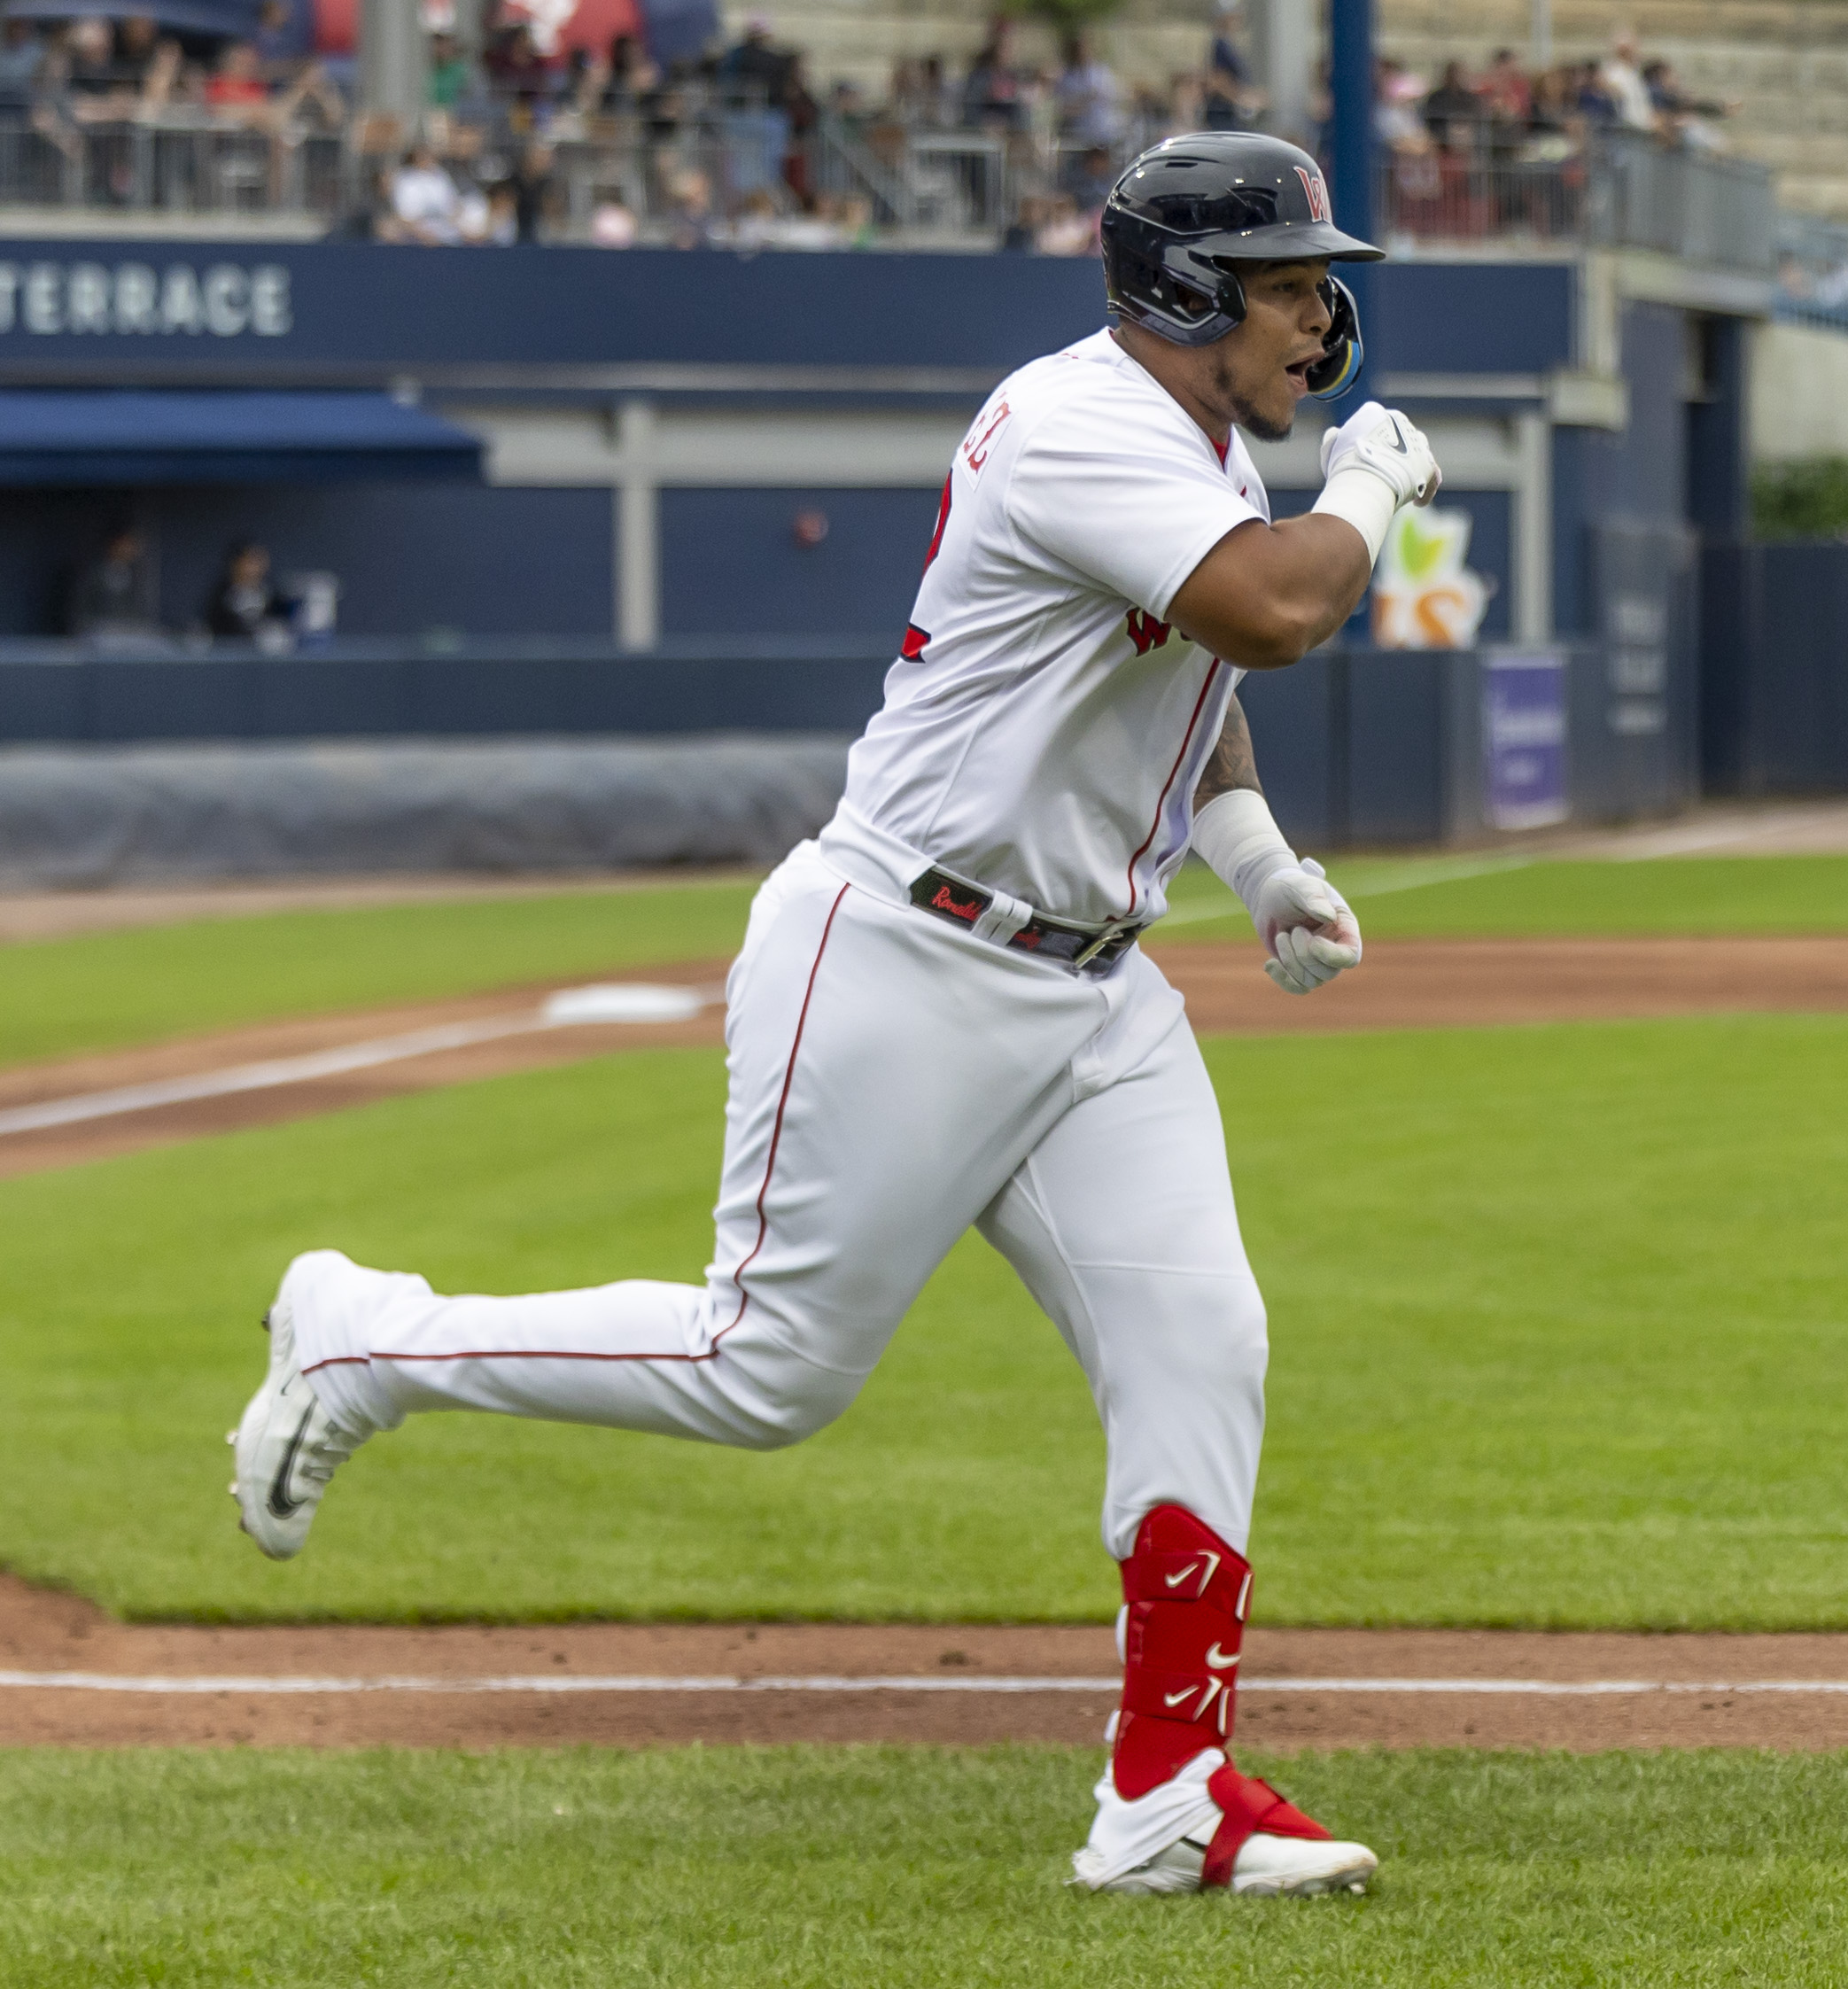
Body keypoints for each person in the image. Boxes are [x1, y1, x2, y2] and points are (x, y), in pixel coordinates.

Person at [225, 131, 1438, 1900]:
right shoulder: (1084, 417)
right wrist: (1377, 485)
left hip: (1089, 984)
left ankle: (1166, 1793)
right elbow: (1267, 613)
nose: (1322, 314)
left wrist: (1251, 862)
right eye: (1285, 282)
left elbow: (1188, 678)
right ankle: (368, 1338)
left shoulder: (1185, 444)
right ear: (1184, 294)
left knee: (1204, 1344)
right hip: (906, 956)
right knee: (763, 1370)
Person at [201, 539, 291, 641]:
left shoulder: (272, 595)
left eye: (260, 560)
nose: (256, 567)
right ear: (236, 563)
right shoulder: (221, 598)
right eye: (250, 561)